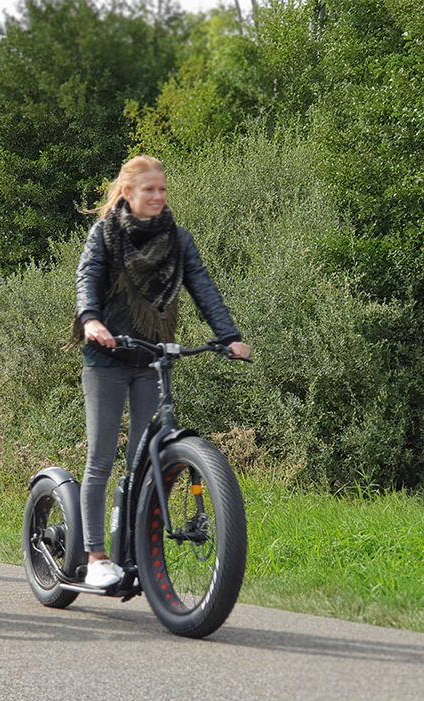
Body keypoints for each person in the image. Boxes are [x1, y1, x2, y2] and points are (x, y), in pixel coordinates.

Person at [73, 155, 251, 588]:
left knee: (141, 463)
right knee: (100, 460)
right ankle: (96, 556)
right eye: (148, 190)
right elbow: (87, 276)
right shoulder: (105, 234)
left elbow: (204, 288)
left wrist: (228, 335)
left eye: (162, 190)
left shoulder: (178, 240)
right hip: (107, 360)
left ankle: (133, 550)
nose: (157, 196)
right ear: (128, 193)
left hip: (151, 357)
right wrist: (91, 320)